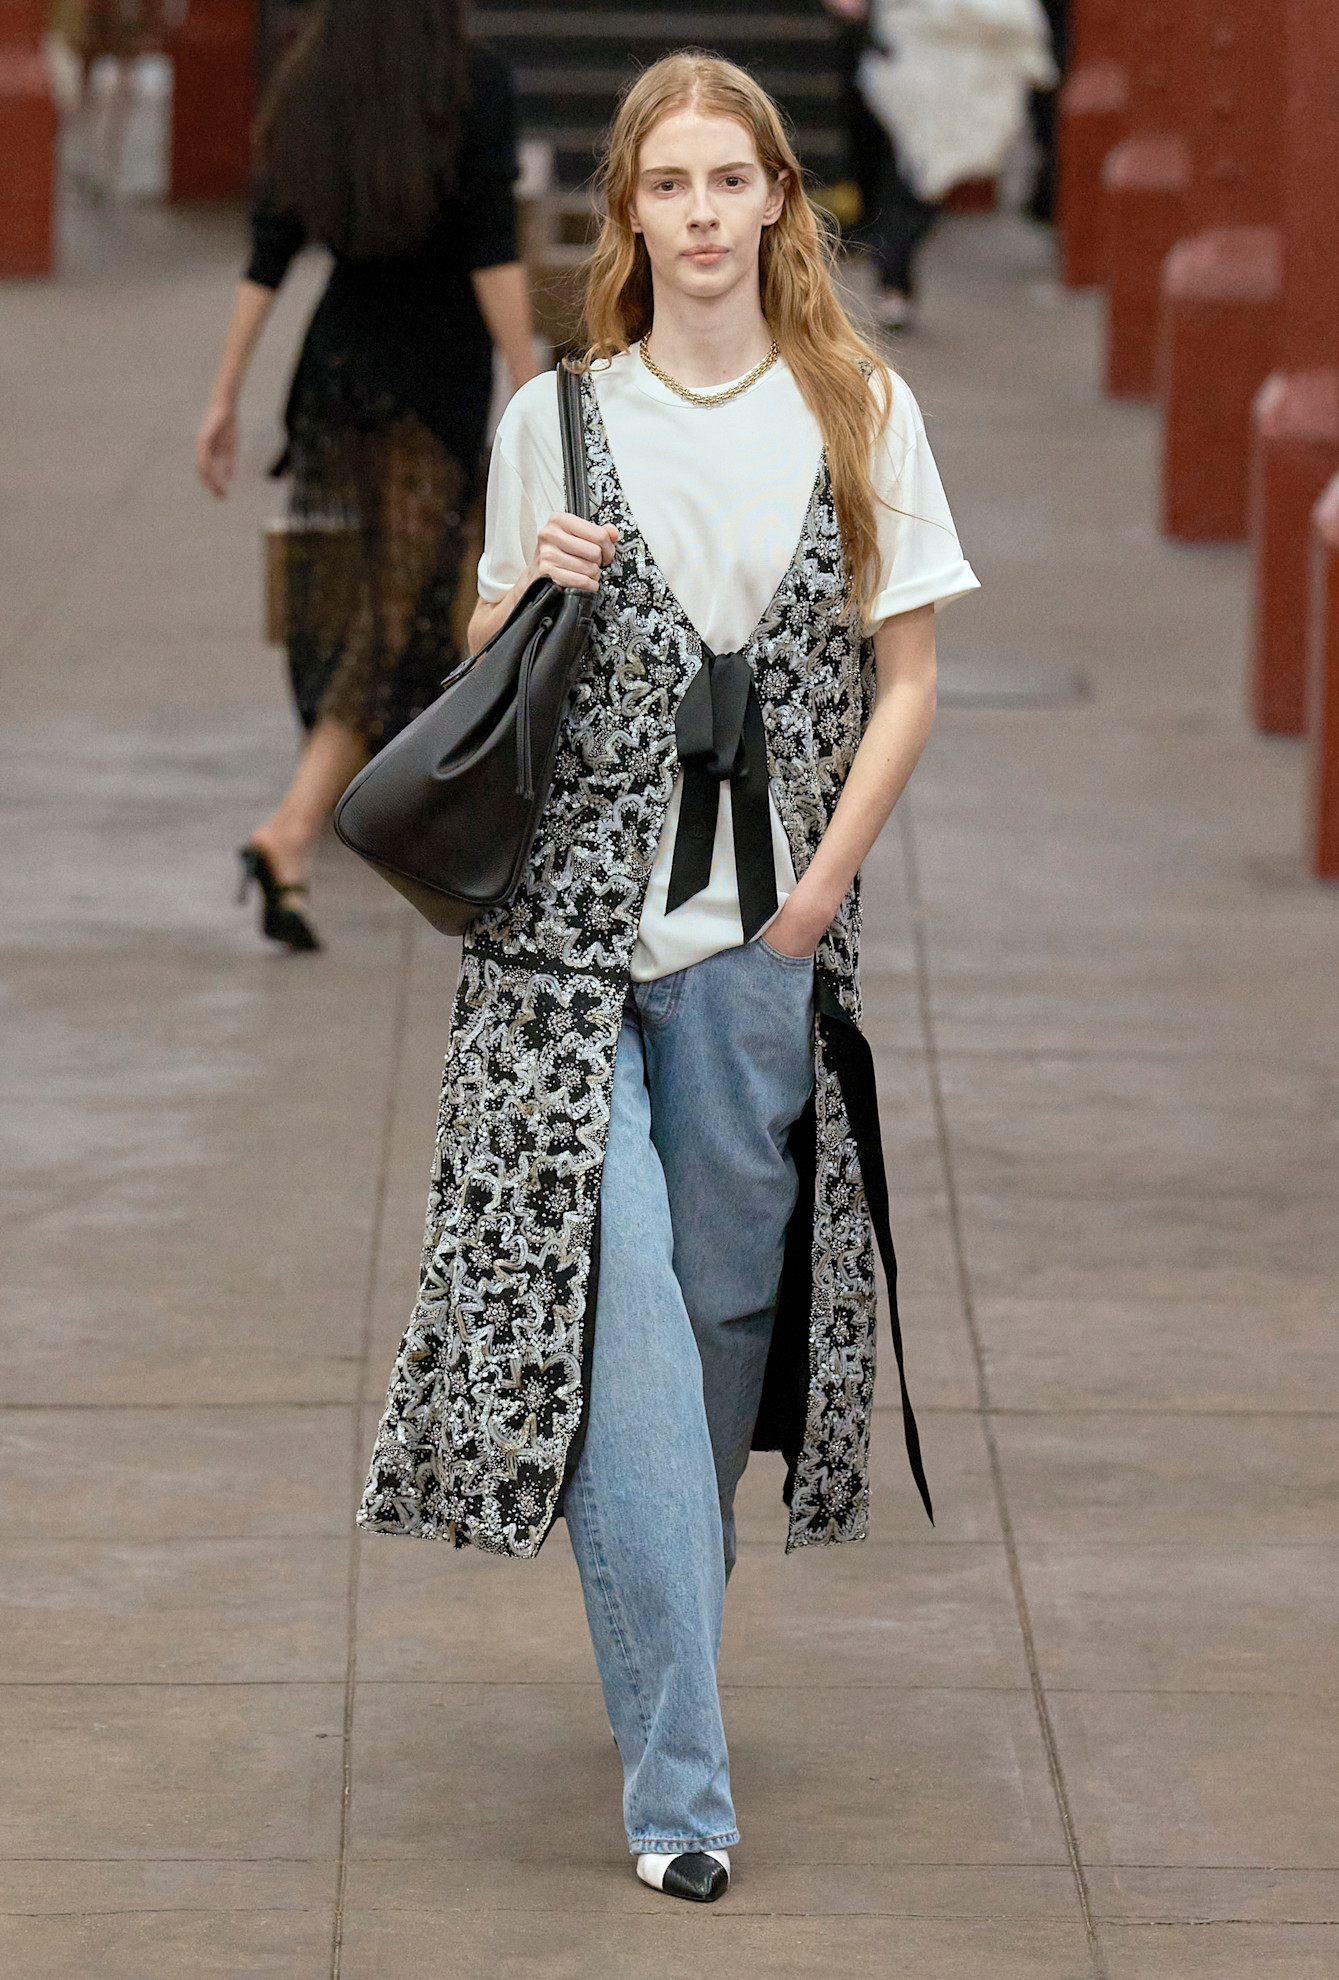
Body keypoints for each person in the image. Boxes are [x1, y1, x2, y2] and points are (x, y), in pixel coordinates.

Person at [358, 51, 978, 1902]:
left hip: (754, 962)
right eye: (668, 186)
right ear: (624, 212)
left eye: (730, 181)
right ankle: (681, 1795)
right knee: (621, 1338)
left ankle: (660, 1645)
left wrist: (811, 904)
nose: (700, 214)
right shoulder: (558, 412)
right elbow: (480, 649)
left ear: (776, 199)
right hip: (562, 963)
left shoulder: (854, 406)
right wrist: (520, 577)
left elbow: (910, 681)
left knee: (711, 1347)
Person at [195, 0, 537, 952]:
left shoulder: (312, 79)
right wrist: (534, 386)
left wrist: (224, 396)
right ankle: (294, 828)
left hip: (334, 380)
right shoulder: (473, 81)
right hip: (430, 388)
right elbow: (490, 246)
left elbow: (268, 253)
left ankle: (324, 825)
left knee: (364, 610)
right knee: (394, 622)